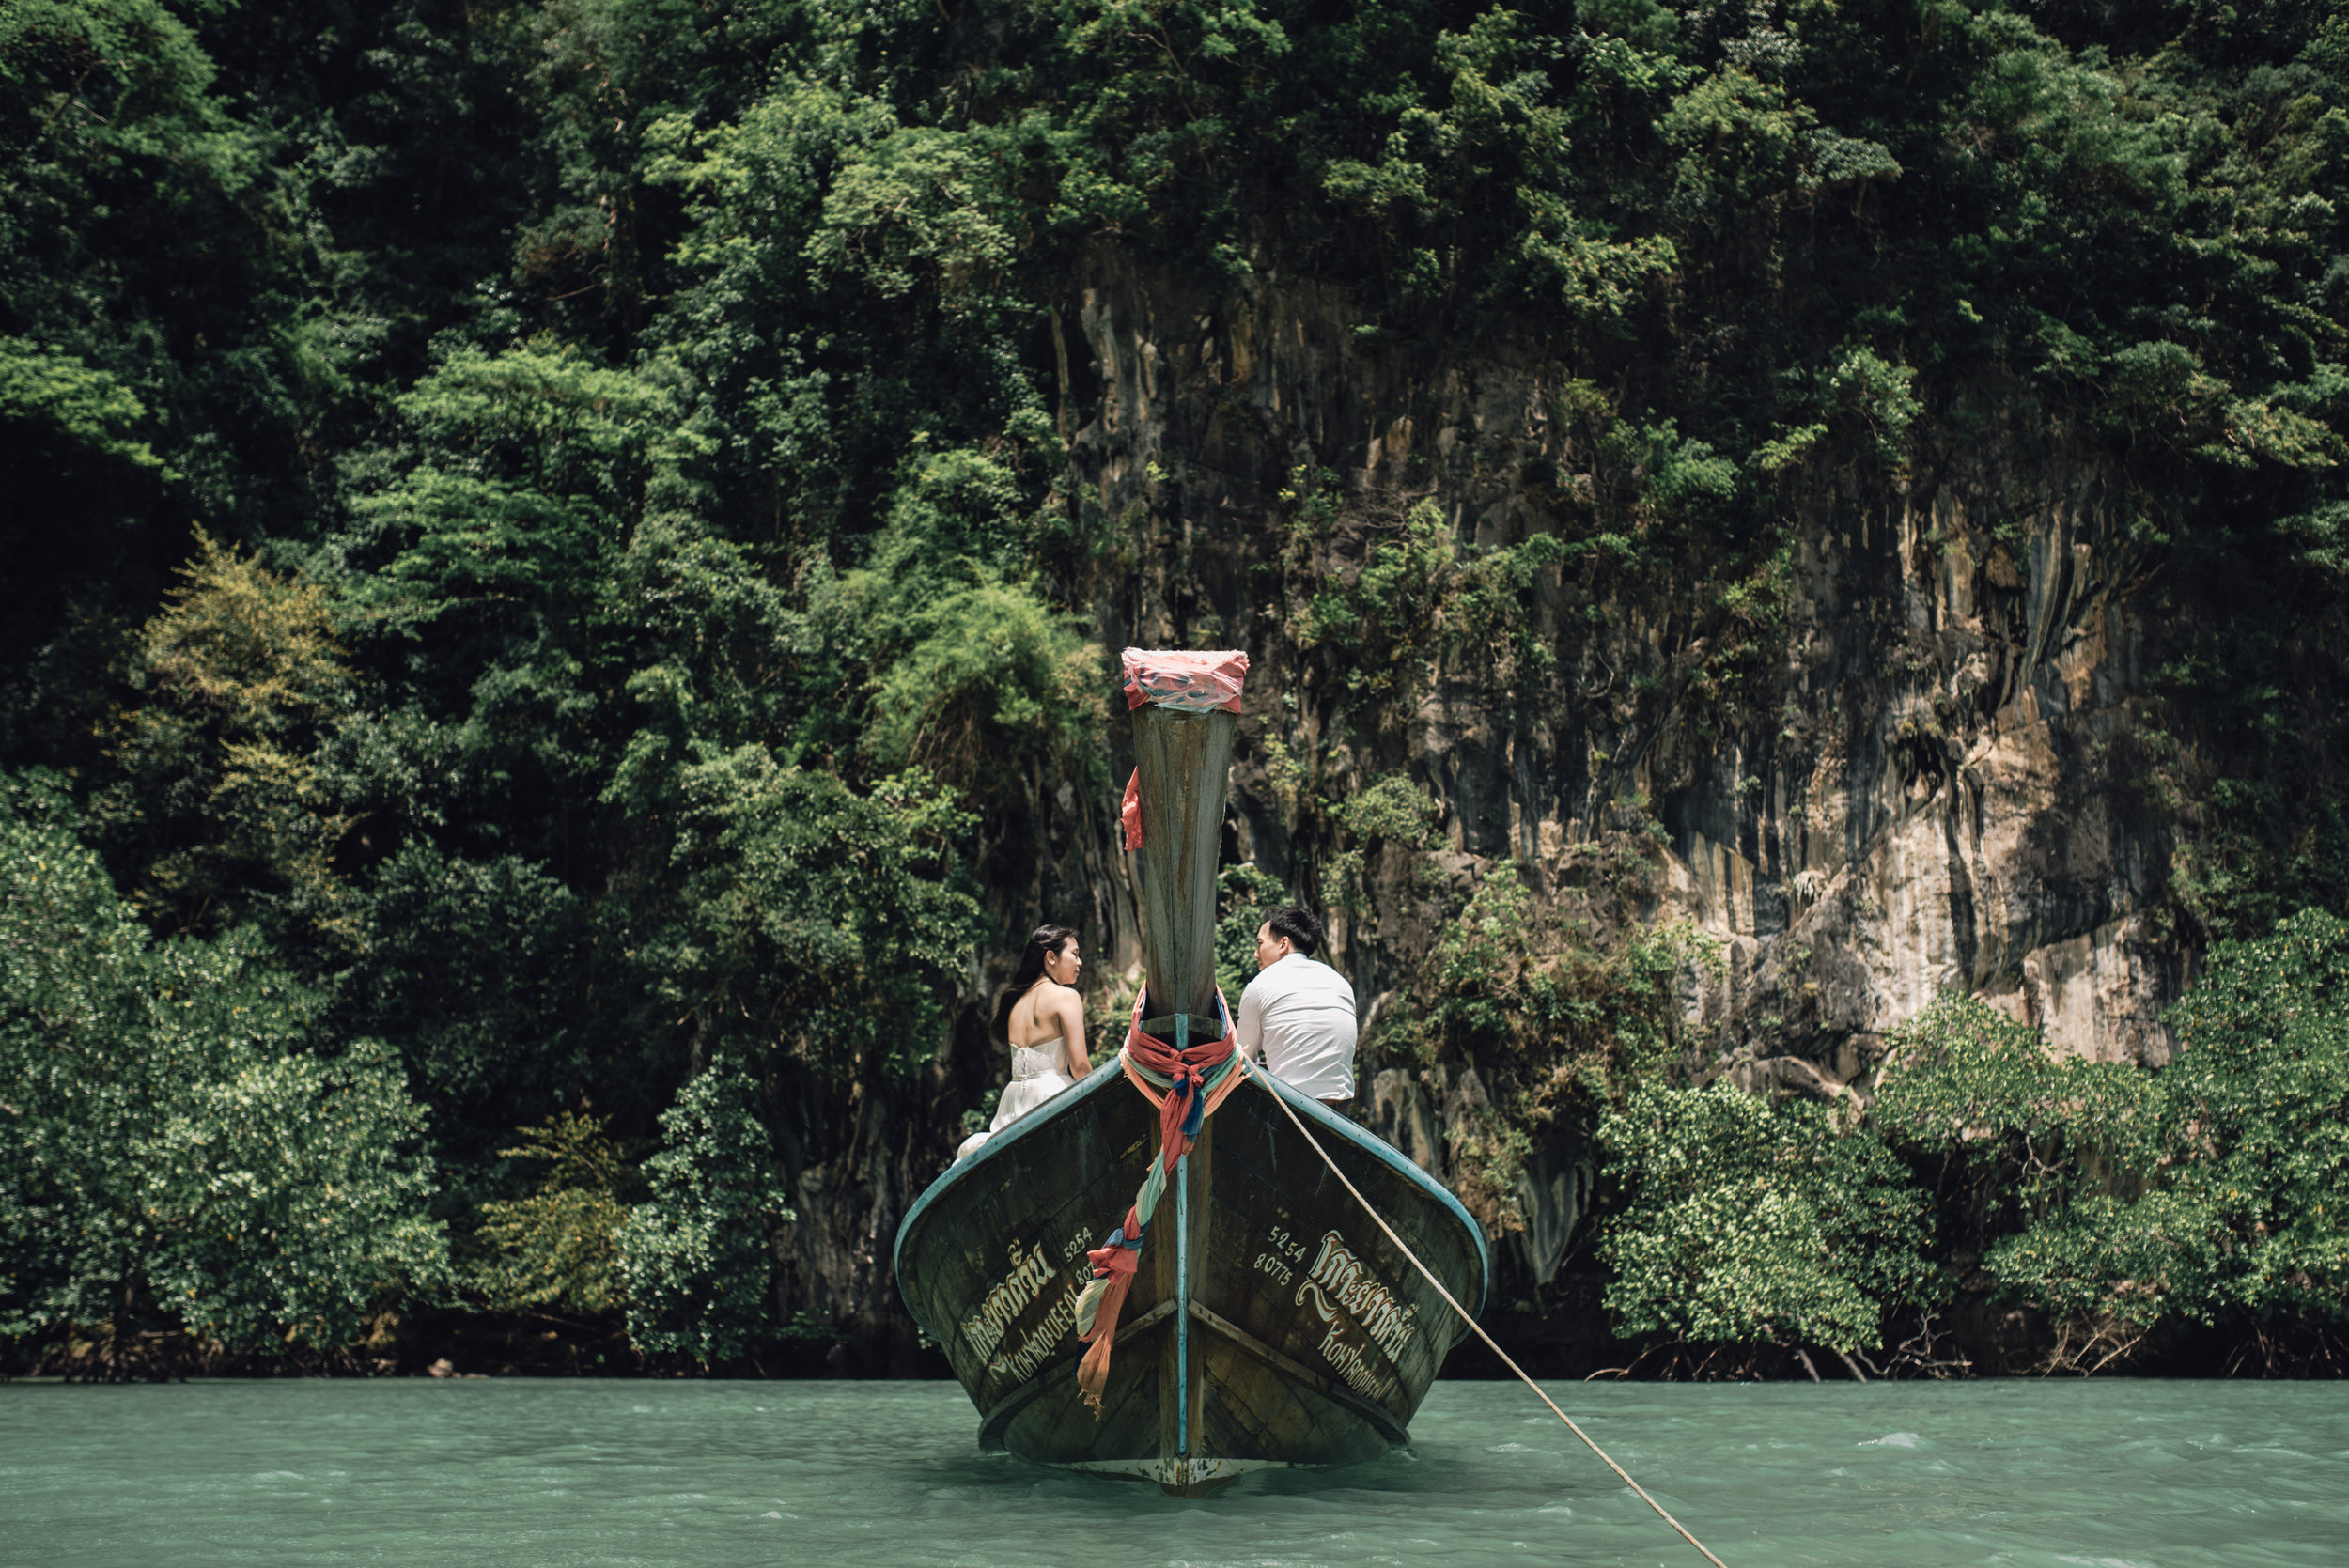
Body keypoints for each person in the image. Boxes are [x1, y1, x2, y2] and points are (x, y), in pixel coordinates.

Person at [955, 924, 1093, 1160]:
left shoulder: (1015, 1004)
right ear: (1051, 957)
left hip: (1012, 1100)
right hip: (1053, 1096)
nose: (1080, 962)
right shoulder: (1067, 997)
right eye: (1075, 954)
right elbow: (1079, 1067)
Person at [1235, 905, 1356, 1108]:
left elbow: (1242, 1059)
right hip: (1341, 1106)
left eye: (1260, 943)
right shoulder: (1340, 982)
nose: (1256, 954)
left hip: (1293, 1107)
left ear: (1283, 944)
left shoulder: (1260, 986)